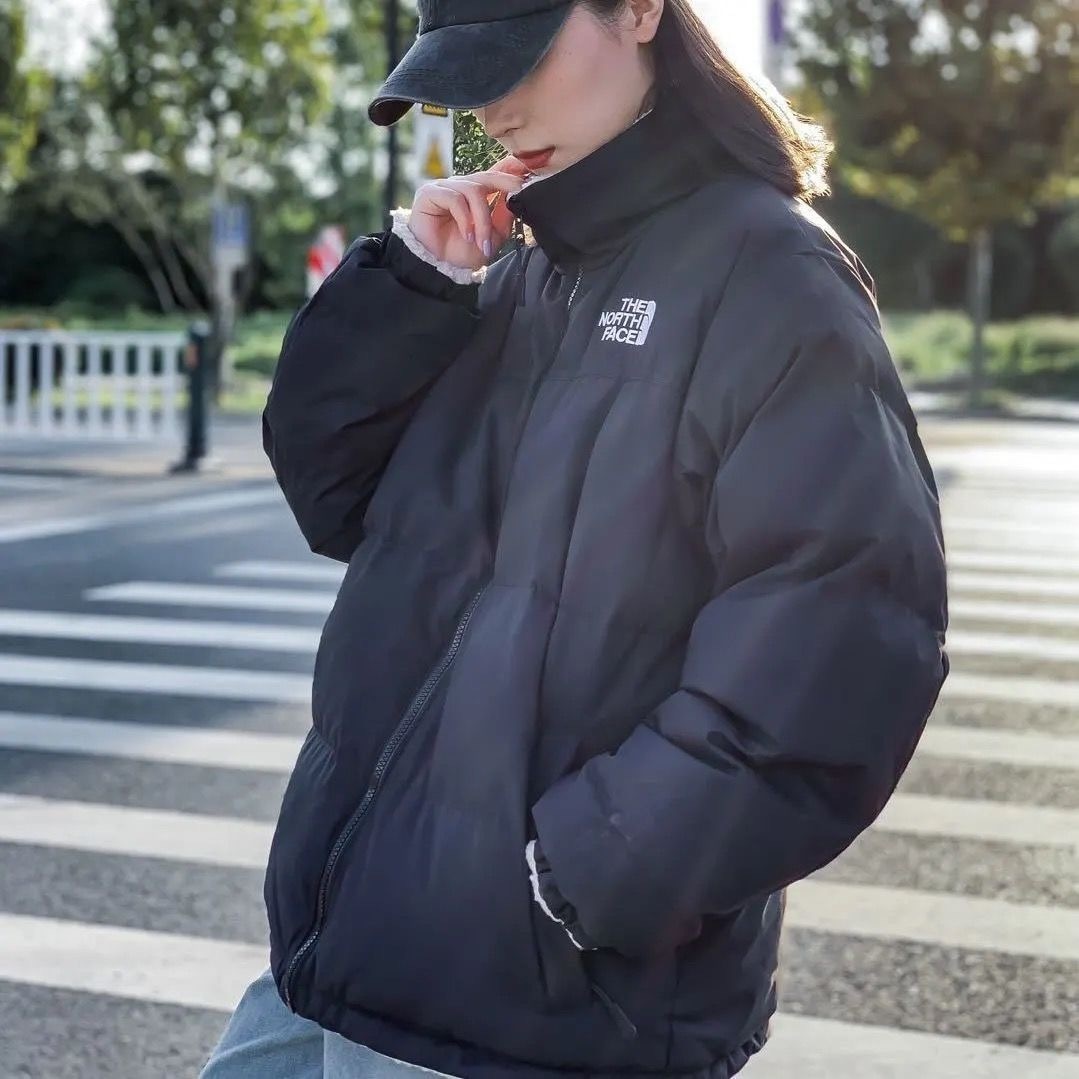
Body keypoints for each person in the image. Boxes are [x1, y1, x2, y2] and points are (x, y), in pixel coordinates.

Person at [200, 1, 949, 1076]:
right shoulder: (516, 262)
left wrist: (594, 869)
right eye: (465, 77)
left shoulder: (768, 273)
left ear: (639, 10)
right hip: (342, 946)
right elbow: (333, 495)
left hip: (537, 998)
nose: (490, 110)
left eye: (516, 61)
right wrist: (414, 285)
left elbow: (843, 636)